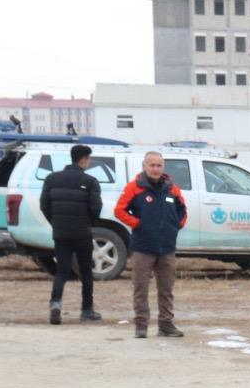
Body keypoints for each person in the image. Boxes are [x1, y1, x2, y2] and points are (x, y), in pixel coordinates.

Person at [114, 151, 188, 339]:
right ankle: (141, 325)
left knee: (166, 289)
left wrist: (175, 226)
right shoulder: (134, 187)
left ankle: (166, 325)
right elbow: (119, 210)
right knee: (141, 288)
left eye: (159, 165)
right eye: (152, 165)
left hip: (167, 248)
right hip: (143, 247)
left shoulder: (173, 188)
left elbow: (182, 211)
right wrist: (138, 224)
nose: (155, 169)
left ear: (163, 167)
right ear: (144, 166)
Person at [39, 144, 104, 324]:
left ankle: (55, 303)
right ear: (84, 159)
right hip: (82, 232)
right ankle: (87, 310)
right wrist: (88, 223)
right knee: (86, 272)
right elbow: (96, 207)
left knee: (62, 271)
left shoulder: (51, 179)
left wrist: (56, 222)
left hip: (61, 233)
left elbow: (44, 205)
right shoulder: (90, 181)